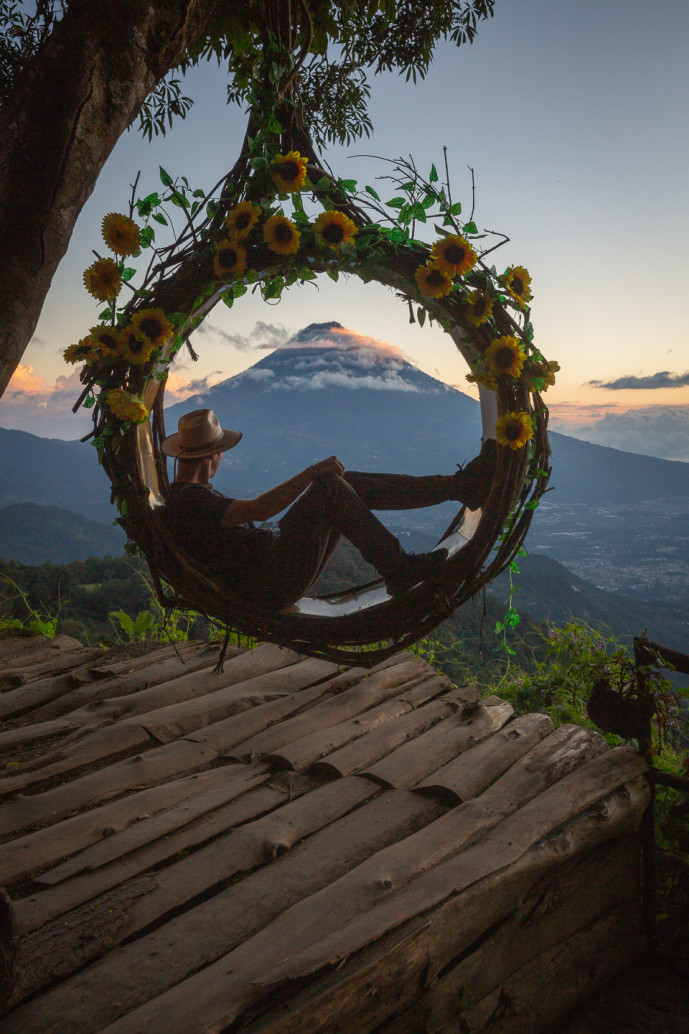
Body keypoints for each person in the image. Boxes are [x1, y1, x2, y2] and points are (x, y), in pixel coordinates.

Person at [161, 408, 496, 609]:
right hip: (273, 580)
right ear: (211, 456)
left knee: (346, 483)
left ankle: (459, 487)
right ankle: (399, 567)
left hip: (273, 564)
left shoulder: (189, 495)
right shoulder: (190, 502)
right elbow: (260, 510)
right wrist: (311, 473)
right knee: (330, 485)